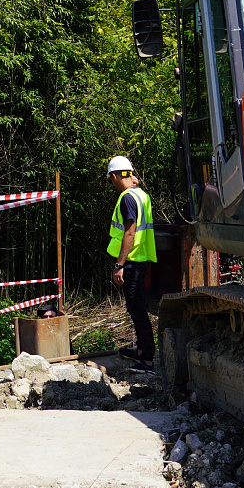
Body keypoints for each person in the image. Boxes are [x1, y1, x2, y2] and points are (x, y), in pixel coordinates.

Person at [105, 154, 156, 370]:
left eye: (111, 179)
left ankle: (147, 358)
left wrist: (119, 265)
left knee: (137, 310)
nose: (112, 184)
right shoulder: (141, 195)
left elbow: (129, 232)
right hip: (140, 258)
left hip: (132, 261)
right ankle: (142, 351)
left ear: (115, 176)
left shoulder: (127, 198)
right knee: (136, 308)